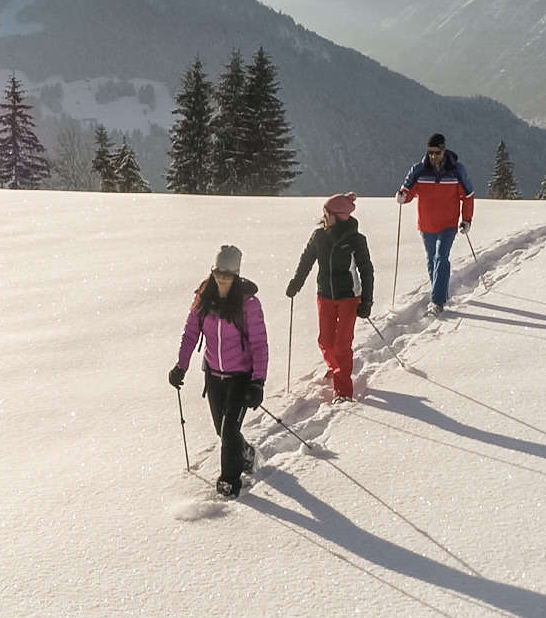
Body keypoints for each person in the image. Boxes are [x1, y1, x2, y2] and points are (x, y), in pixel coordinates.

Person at [168, 245, 268, 498]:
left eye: (228, 272)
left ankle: (229, 481)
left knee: (229, 430)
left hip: (241, 377)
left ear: (236, 274)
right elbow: (190, 334)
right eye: (218, 271)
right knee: (222, 431)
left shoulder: (249, 304)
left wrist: (258, 382)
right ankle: (246, 453)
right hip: (213, 375)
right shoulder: (204, 300)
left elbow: (259, 344)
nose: (222, 277)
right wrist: (181, 366)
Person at [285, 193, 374, 402]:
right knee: (325, 341)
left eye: (327, 212)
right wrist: (295, 284)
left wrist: (367, 301)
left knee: (342, 344)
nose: (324, 215)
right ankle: (336, 368)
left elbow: (366, 270)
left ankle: (343, 392)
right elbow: (306, 260)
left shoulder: (356, 240)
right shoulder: (319, 236)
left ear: (338, 215)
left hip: (349, 297)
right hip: (324, 295)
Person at [396, 132, 474, 314]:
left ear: (444, 151)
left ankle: (437, 302)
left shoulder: (457, 171)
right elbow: (407, 191)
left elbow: (468, 196)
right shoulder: (419, 170)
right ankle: (440, 293)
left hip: (448, 224)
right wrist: (402, 196)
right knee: (432, 261)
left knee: (441, 257)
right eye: (430, 152)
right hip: (426, 225)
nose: (433, 156)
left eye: (436, 152)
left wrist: (466, 220)